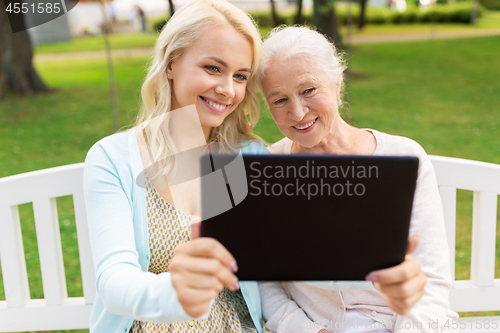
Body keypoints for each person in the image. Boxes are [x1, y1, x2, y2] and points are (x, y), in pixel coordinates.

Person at [257, 26, 459, 333]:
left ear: (337, 83)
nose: (297, 113)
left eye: (308, 90)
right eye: (279, 100)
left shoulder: (403, 157)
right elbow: (262, 280)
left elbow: (429, 280)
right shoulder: (267, 170)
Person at [83, 1, 267, 332]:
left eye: (240, 76)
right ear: (171, 63)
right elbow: (113, 278)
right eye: (213, 68)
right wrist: (178, 293)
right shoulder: (114, 158)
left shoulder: (251, 157)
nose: (227, 89)